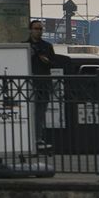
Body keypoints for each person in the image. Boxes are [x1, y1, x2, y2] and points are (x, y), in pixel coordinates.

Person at [27, 19, 65, 150]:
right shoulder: (25, 46)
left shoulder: (47, 46)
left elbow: (55, 64)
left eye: (40, 29)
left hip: (43, 83)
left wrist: (47, 61)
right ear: (30, 30)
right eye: (36, 29)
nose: (39, 31)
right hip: (28, 83)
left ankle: (38, 138)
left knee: (40, 112)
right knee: (27, 111)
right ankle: (29, 137)